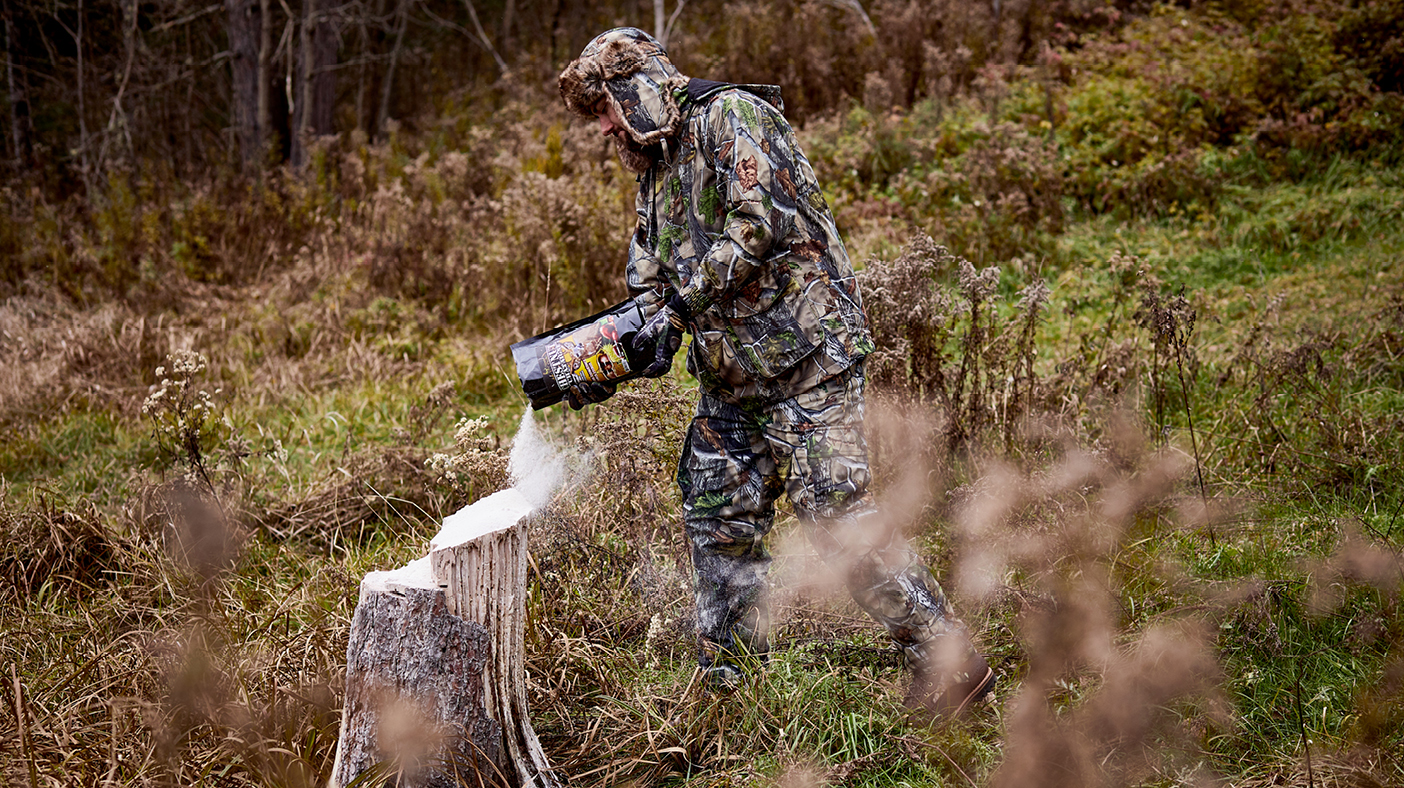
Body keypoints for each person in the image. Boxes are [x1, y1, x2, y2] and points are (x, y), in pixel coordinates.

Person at [556, 27, 994, 718]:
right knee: (715, 507)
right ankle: (729, 686)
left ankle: (949, 664)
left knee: (837, 519)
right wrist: (611, 350)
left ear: (636, 89)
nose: (605, 128)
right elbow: (651, 281)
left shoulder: (733, 119)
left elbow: (758, 229)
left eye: (607, 109)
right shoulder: (653, 168)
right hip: (733, 378)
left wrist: (678, 302)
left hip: (809, 357)